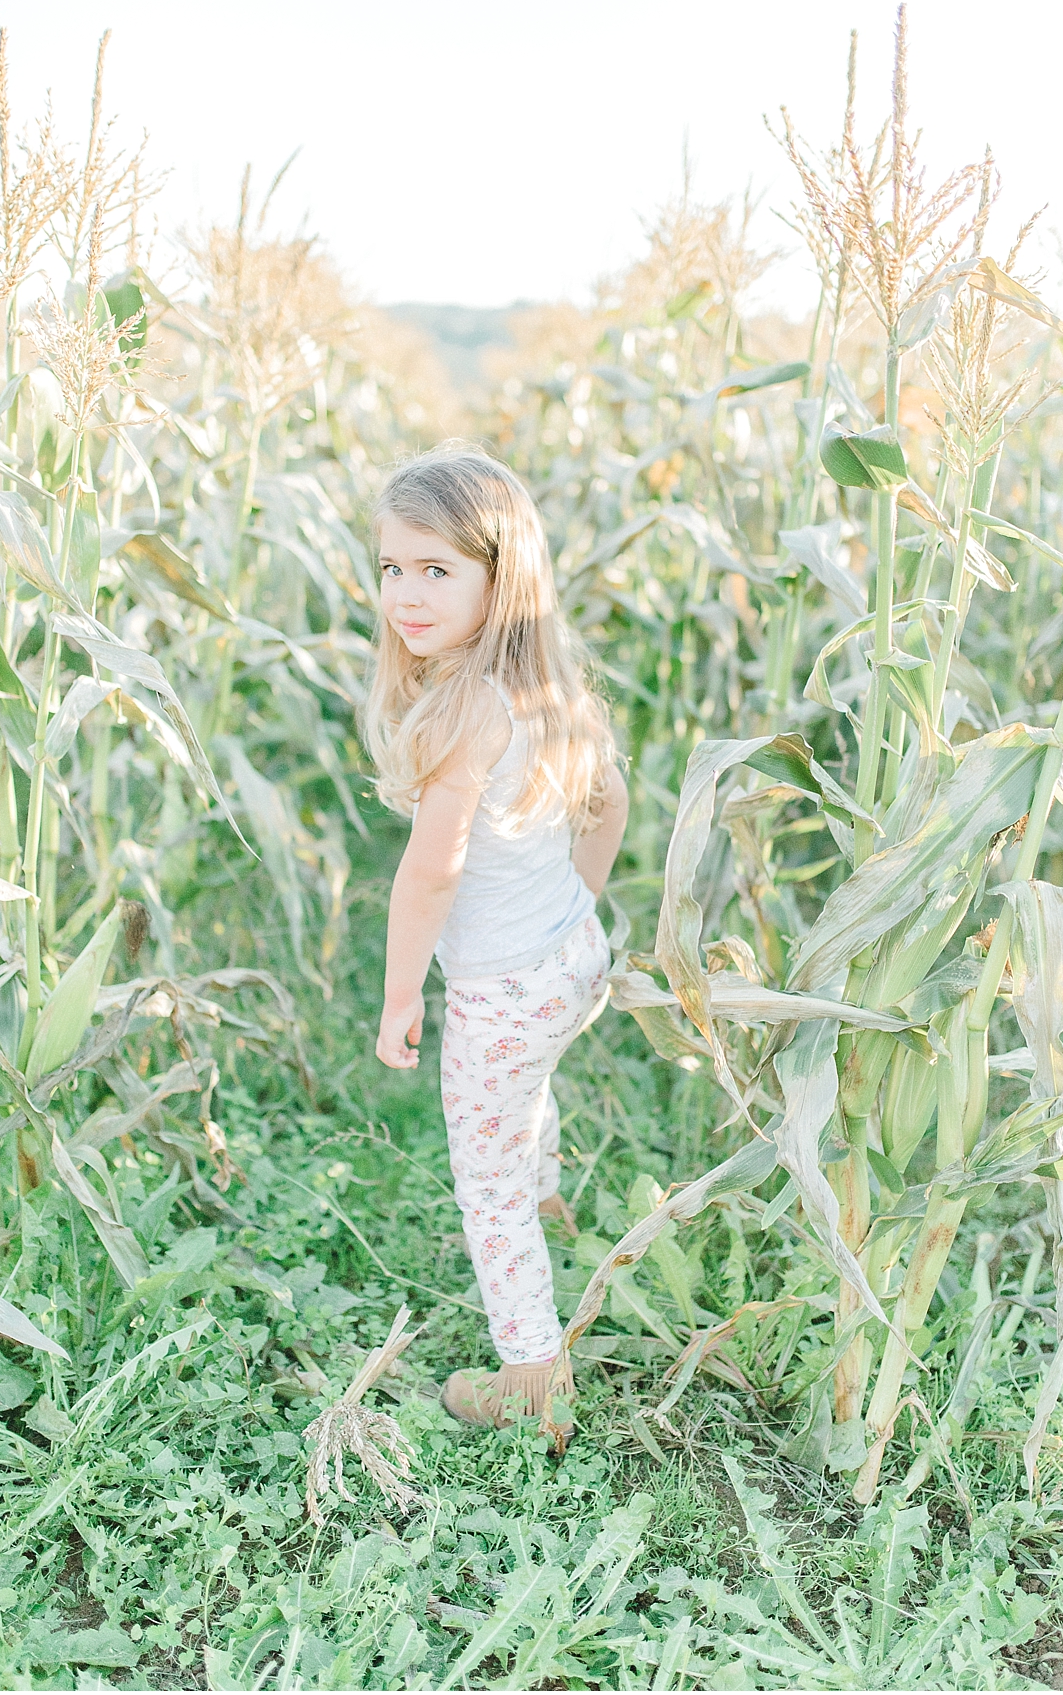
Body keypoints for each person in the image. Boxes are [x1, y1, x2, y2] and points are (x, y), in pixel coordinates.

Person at [365, 444, 628, 1434]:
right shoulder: (548, 691)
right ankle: (553, 1205)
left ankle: (533, 1382)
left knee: (485, 1175)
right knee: (528, 1093)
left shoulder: (465, 705)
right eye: (393, 568)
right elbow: (611, 804)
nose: (407, 594)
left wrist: (400, 998)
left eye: (437, 570)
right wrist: (571, 906)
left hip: (504, 984)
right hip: (571, 958)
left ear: (498, 574)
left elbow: (430, 872)